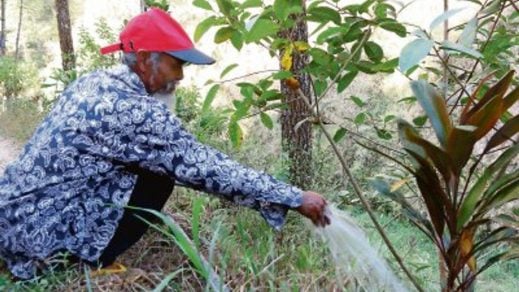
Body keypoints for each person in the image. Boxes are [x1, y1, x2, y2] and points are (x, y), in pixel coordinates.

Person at [0, 8, 330, 280]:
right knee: (159, 177)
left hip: (14, 220)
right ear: (145, 60)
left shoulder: (95, 82)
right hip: (37, 241)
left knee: (150, 168)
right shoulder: (131, 110)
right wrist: (293, 197)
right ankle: (92, 262)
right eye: (176, 63)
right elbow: (205, 167)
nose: (181, 76)